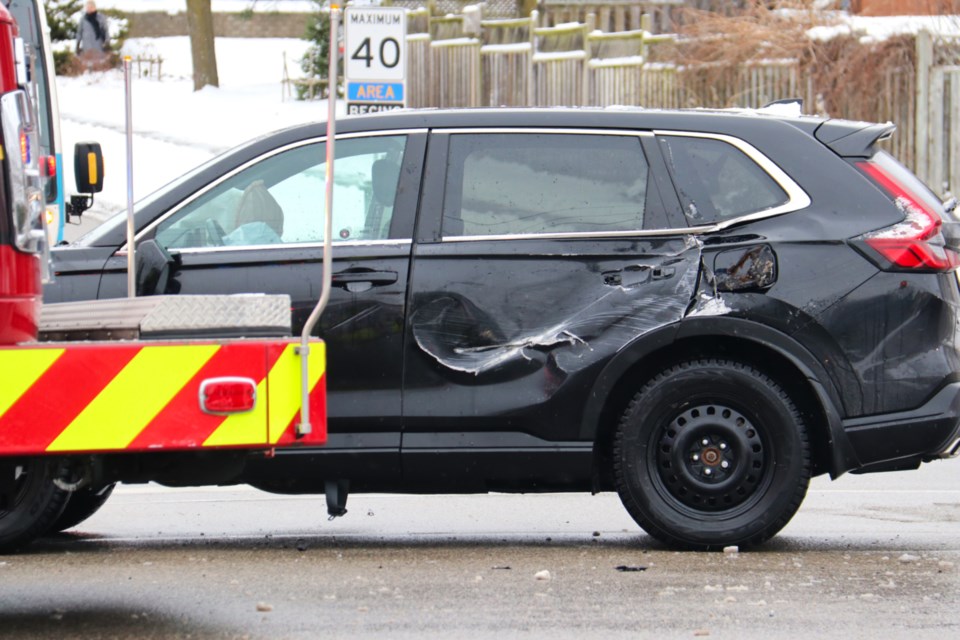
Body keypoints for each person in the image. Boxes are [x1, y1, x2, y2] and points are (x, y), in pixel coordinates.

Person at [76, 1, 109, 67]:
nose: (89, 9)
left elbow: (105, 31)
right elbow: (79, 32)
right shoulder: (83, 19)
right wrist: (77, 44)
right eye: (88, 7)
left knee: (99, 62)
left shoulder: (100, 18)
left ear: (95, 8)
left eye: (91, 7)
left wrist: (107, 43)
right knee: (88, 63)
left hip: (98, 44)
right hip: (87, 45)